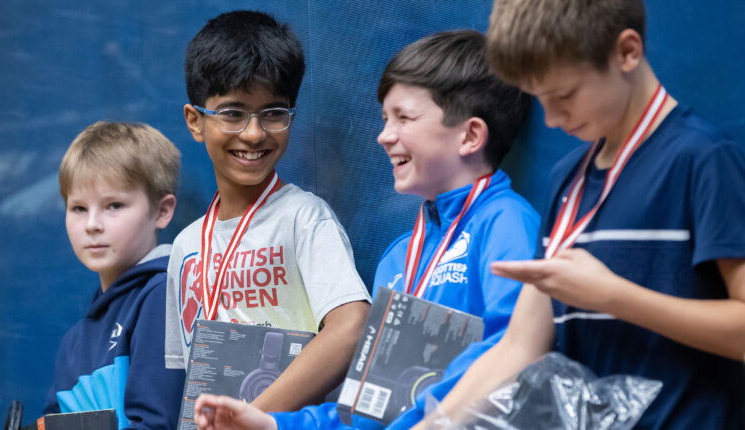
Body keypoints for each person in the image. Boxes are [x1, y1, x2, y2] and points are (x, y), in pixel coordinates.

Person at [421, 1, 745, 429]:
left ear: (626, 52)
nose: (553, 119)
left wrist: (614, 296)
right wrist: (433, 424)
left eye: (565, 95)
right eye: (540, 101)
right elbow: (521, 344)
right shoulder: (567, 180)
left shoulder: (703, 161)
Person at [193, 29, 539, 430]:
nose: (384, 135)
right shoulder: (398, 258)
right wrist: (273, 425)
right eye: (384, 119)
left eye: (403, 118)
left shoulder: (506, 223)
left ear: (470, 135)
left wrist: (436, 421)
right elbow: (365, 411)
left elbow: (514, 350)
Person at [163, 10, 371, 413]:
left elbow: (351, 327)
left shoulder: (305, 218)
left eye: (273, 113)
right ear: (195, 121)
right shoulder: (186, 247)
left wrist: (252, 418)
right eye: (233, 113)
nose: (255, 132)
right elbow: (184, 377)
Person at [43, 121, 185, 430]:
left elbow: (156, 424)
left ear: (162, 211)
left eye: (114, 205)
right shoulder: (74, 342)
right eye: (78, 208)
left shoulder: (162, 295)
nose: (92, 224)